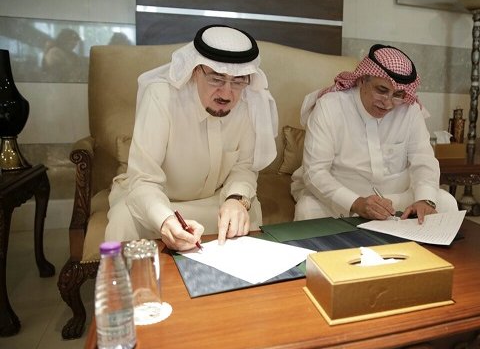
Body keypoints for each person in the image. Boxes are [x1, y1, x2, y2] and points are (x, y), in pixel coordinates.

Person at [105, 25, 278, 251]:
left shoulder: (249, 101)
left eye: (237, 81)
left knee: (246, 211)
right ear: (196, 71)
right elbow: (144, 179)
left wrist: (236, 199)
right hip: (157, 201)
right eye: (216, 78)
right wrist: (165, 221)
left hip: (212, 202)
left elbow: (244, 167)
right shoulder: (162, 96)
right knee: (123, 218)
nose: (227, 93)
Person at [291, 44, 458, 223]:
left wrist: (425, 200)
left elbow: (424, 161)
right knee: (307, 210)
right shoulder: (330, 106)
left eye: (398, 94)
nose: (388, 103)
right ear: (362, 80)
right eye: (382, 90)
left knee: (446, 202)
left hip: (395, 198)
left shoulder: (409, 110)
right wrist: (356, 203)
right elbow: (315, 172)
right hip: (342, 199)